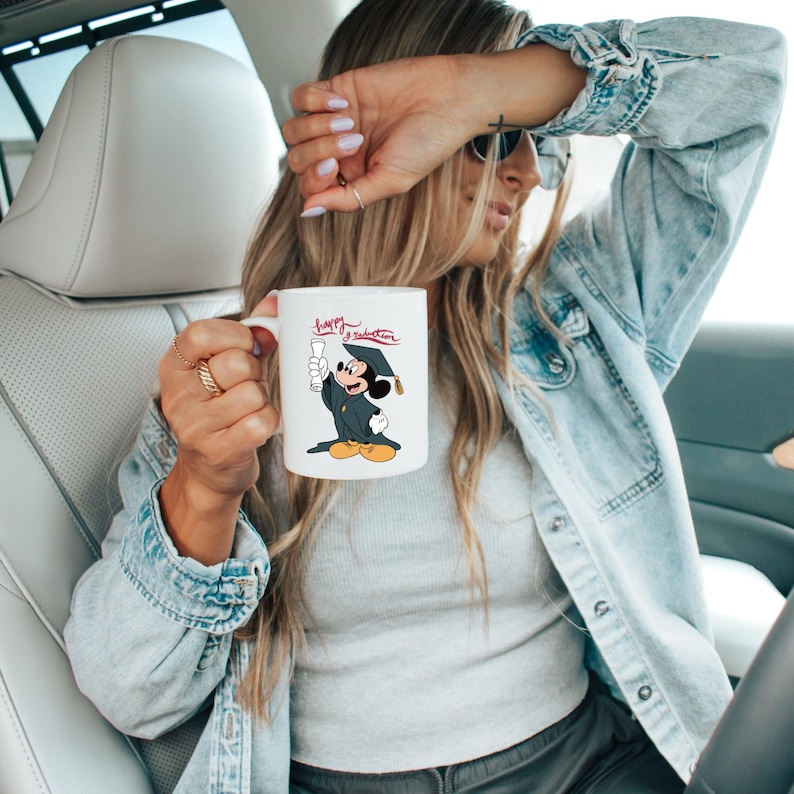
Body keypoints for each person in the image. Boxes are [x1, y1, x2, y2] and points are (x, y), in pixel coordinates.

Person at [64, 1, 787, 792]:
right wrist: (204, 487)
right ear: (374, 141)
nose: (528, 173)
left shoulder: (572, 319)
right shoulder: (226, 382)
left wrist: (488, 88)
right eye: (494, 139)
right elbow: (131, 693)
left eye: (531, 135)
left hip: (585, 764)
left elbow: (745, 82)